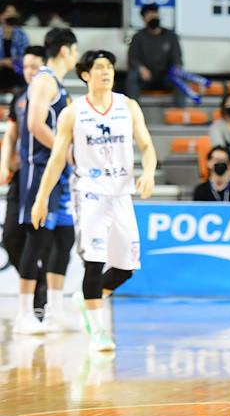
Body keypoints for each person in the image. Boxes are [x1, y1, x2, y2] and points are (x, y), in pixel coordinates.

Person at [31, 49, 157, 352]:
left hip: (122, 193)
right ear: (86, 75)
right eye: (100, 67)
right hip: (89, 194)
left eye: (110, 66)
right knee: (94, 261)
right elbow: (57, 159)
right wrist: (41, 198)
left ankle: (89, 297)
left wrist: (149, 172)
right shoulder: (73, 113)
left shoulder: (128, 106)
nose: (106, 71)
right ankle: (98, 331)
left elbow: (146, 145)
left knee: (126, 267)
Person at [13, 28, 78, 335]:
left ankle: (55, 311)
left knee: (64, 238)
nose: (76, 56)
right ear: (65, 50)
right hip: (40, 170)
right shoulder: (44, 80)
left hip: (59, 172)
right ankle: (23, 314)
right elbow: (35, 125)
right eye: (75, 50)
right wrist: (66, 152)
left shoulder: (57, 83)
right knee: (36, 239)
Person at [0, 45, 47, 315]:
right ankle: (40, 285)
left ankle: (38, 302)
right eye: (26, 67)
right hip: (20, 177)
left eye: (35, 67)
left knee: (38, 239)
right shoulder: (19, 97)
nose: (30, 72)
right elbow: (10, 135)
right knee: (10, 238)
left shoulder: (54, 97)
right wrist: (4, 163)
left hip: (45, 176)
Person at [126, 4, 185, 107]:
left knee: (179, 76)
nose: (153, 18)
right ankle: (133, 111)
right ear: (144, 19)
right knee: (132, 76)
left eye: (155, 15)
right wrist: (141, 69)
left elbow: (177, 58)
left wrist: (175, 68)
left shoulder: (171, 36)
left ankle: (181, 111)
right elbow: (132, 58)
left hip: (166, 77)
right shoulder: (138, 37)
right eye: (149, 16)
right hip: (146, 77)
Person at [0, 4, 29, 90]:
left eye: (14, 12)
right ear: (1, 16)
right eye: (9, 12)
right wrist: (4, 62)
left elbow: (24, 57)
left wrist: (12, 62)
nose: (12, 15)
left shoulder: (21, 35)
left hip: (15, 70)